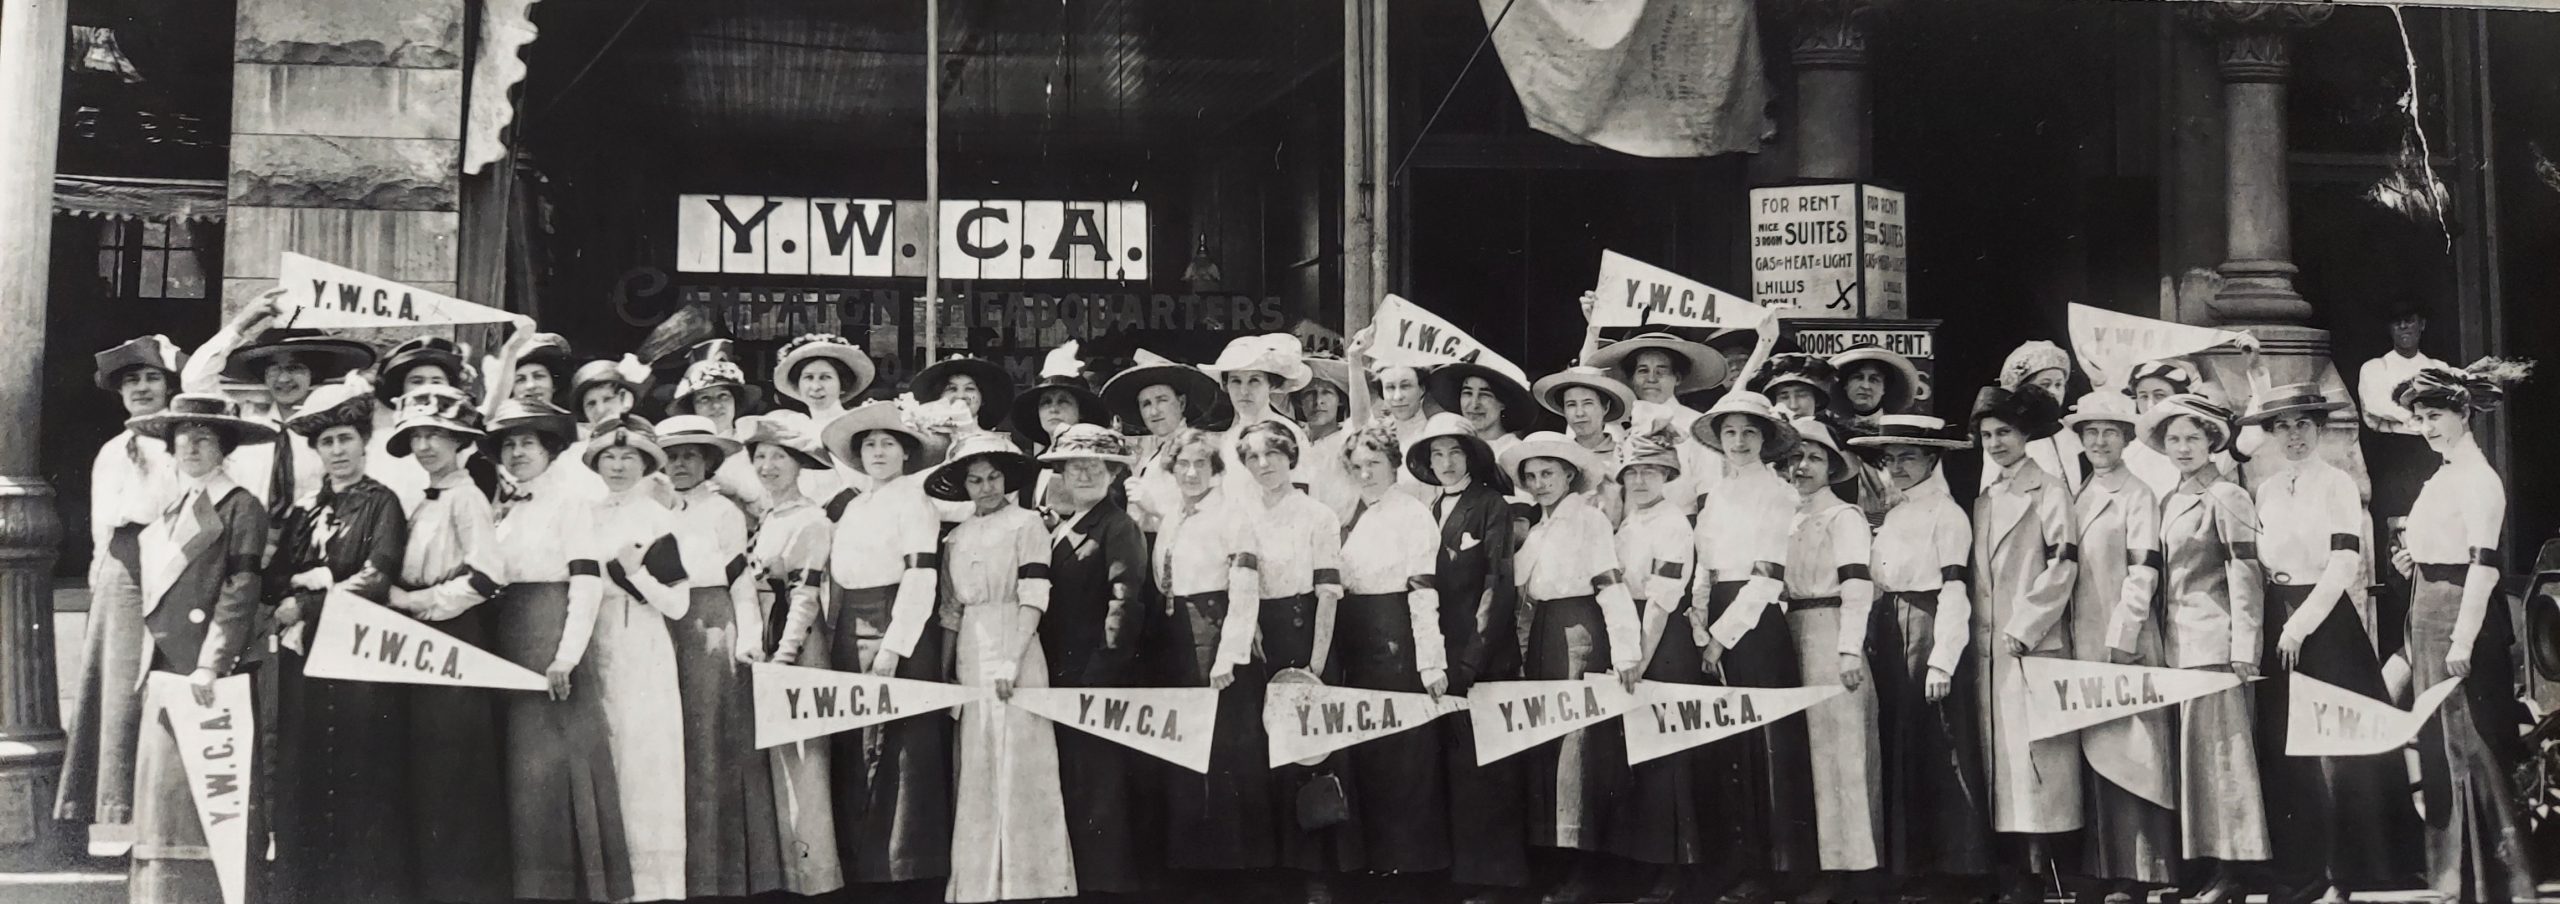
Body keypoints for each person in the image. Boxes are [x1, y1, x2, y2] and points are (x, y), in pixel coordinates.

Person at [2240, 383, 2422, 902]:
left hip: (2325, 624)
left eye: (2303, 424)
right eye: (2283, 426)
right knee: (2285, 747)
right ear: (2272, 433)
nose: (2294, 435)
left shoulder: (2337, 483)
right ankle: (2302, 869)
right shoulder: (2268, 489)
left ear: (2319, 429)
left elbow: (2345, 563)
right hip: (2279, 617)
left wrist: (2300, 626)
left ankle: (2351, 871)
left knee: (2337, 749)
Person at [2388, 361, 2539, 902]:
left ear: (2463, 413)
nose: (2427, 427)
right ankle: (2454, 878)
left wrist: (2462, 639)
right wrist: (2414, 558)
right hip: (2427, 608)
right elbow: (2441, 544)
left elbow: (2485, 564)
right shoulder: (2443, 475)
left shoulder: (2480, 478)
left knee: (2473, 742)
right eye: (2420, 417)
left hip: (2460, 615)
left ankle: (2501, 880)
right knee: (2440, 743)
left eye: (2436, 416)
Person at [263, 383, 414, 904]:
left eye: (346, 438)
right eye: (327, 441)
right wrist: (297, 590)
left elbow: (376, 576)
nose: (338, 450)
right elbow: (277, 576)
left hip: (358, 649)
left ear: (363, 443)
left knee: (359, 760)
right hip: (304, 654)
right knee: (304, 760)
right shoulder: (303, 510)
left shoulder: (382, 503)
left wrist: (309, 598)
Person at [123, 393, 273, 904]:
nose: (191, 444)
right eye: (182, 436)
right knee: (165, 796)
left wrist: (212, 663)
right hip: (168, 664)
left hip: (212, 668)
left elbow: (240, 590)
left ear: (223, 447)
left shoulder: (242, 506)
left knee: (217, 795)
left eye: (204, 436)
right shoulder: (171, 506)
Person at [480, 397, 631, 901]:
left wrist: (565, 655)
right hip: (505, 639)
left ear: (549, 450)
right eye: (509, 444)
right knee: (514, 765)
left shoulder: (570, 506)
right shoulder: (501, 510)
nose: (518, 452)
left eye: (528, 442)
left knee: (549, 764)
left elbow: (586, 585)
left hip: (548, 640)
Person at [926, 433, 1078, 903]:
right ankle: (977, 884)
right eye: (975, 479)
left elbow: (1035, 595)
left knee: (1021, 761)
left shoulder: (1027, 524)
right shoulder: (955, 537)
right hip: (972, 648)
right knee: (976, 760)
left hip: (1016, 640)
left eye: (994, 477)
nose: (987, 487)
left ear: (1006, 480)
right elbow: (950, 612)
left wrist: (1012, 658)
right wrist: (947, 676)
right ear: (963, 485)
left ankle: (1033, 881)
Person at [1846, 415, 1992, 900]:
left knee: (1938, 745)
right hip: (1890, 628)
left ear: (1933, 459)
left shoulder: (1946, 514)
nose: (1898, 468)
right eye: (1890, 460)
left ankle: (1954, 869)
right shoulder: (1895, 513)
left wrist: (1942, 659)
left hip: (1927, 627)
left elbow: (1954, 587)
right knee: (1901, 743)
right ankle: (1910, 865)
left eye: (1909, 457)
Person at [377, 385, 512, 903]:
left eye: (437, 435)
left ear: (460, 442)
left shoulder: (467, 498)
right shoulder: (424, 499)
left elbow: (487, 576)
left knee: (454, 761)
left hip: (452, 633)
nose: (427, 445)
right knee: (424, 760)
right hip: (416, 638)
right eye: (417, 435)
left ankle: (462, 886)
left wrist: (418, 603)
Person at [815, 400, 955, 887]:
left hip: (898, 624)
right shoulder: (853, 504)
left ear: (906, 453)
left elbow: (921, 576)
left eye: (888, 444)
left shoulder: (914, 501)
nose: (877, 452)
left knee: (901, 743)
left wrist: (895, 645)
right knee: (857, 739)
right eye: (869, 444)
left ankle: (905, 867)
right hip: (849, 626)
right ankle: (862, 864)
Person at [2140, 392, 2272, 902]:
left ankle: (2233, 873)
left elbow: (2244, 574)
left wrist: (2245, 647)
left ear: (2213, 441)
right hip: (2178, 647)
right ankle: (2202, 871)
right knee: (2194, 765)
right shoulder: (2171, 498)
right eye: (2174, 439)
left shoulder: (2228, 495)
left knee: (2224, 761)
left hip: (2217, 647)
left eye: (2193, 437)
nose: (2183, 447)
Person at [1690, 392, 1818, 902]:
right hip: (1714, 616)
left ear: (1765, 439)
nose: (1738, 443)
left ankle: (1775, 868)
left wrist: (1721, 637)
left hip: (1755, 625)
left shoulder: (1778, 494)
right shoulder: (1718, 495)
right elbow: (1705, 564)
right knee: (1726, 744)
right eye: (1730, 433)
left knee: (1766, 742)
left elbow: (1767, 578)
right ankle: (1735, 860)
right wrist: (1700, 620)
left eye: (1748, 433)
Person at [57, 335, 184, 845]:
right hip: (123, 568)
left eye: (152, 378)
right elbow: (100, 527)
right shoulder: (112, 451)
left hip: (174, 558)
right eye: (132, 381)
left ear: (170, 384)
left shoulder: (187, 441)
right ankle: (113, 814)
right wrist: (100, 578)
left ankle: (168, 816)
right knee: (118, 687)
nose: (142, 388)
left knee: (169, 678)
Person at [1502, 430, 1638, 904]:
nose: (1540, 483)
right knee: (1548, 744)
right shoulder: (1536, 531)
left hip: (1582, 632)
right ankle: (1555, 861)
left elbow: (1610, 585)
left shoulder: (1590, 520)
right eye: (1532, 476)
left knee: (1577, 747)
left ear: (1569, 475)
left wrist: (1625, 651)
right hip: (1543, 635)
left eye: (1549, 474)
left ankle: (1586, 869)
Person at [658, 416, 789, 897]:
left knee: (711, 743)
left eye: (691, 454)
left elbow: (739, 583)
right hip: (658, 630)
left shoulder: (723, 512)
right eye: (671, 455)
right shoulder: (650, 509)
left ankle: (720, 875)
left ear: (709, 460)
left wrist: (748, 635)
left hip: (711, 627)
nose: (680, 464)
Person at [1402, 413, 1529, 902]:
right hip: (1435, 653)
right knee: (1447, 766)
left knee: (1485, 772)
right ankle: (1451, 871)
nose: (1446, 463)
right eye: (1437, 454)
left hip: (1480, 658)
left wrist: (1471, 661)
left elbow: (1498, 587)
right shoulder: (1427, 508)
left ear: (1472, 457)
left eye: (1455, 452)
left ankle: (1493, 880)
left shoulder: (1490, 505)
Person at [2058, 393, 2177, 901]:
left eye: (2109, 432)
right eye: (2090, 433)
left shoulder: (2139, 494)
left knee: (2135, 756)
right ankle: (2104, 867)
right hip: (2085, 640)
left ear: (2127, 438)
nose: (2099, 441)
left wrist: (2123, 636)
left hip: (2123, 642)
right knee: (2099, 753)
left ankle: (2139, 872)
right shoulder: (2081, 491)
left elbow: (2143, 569)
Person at [1032, 425, 1160, 896]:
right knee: (1073, 775)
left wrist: (1102, 672)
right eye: (1074, 465)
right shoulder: (1062, 527)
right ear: (1060, 473)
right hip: (1057, 671)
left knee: (1100, 779)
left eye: (1095, 465)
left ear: (1113, 473)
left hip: (1096, 675)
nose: (1084, 473)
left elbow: (1124, 602)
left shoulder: (1117, 525)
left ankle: (1107, 882)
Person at [1966, 384, 2080, 904]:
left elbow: (2063, 563)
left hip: (2029, 644)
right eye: (1987, 435)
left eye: (2004, 433)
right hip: (1989, 648)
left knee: (2038, 760)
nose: (1995, 443)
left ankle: (2044, 868)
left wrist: (2027, 624)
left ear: (2025, 435)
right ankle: (2014, 866)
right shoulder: (1985, 500)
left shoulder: (2049, 490)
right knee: (2003, 759)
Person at [1330, 423, 1454, 892]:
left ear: (1394, 464)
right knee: (1368, 751)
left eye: (1374, 464)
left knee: (1405, 751)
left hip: (1396, 637)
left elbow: (1424, 592)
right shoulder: (1351, 513)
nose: (1365, 473)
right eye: (1357, 466)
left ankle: (1415, 866)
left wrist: (1430, 661)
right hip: (1356, 637)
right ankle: (1376, 860)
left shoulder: (1413, 514)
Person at [1154, 427, 1280, 879]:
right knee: (1188, 748)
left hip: (1218, 637)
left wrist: (1230, 655)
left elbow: (1245, 589)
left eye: (1200, 465)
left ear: (1215, 470)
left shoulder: (1232, 514)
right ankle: (1193, 864)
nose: (1190, 472)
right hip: (1177, 640)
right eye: (1182, 464)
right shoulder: (1172, 517)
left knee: (1227, 749)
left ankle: (1240, 868)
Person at [579, 416, 693, 900]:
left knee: (645, 763)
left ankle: (653, 888)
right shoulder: (585, 514)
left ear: (646, 463)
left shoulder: (658, 519)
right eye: (609, 456)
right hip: (594, 643)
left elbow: (678, 604)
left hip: (642, 646)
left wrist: (635, 575)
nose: (619, 465)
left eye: (629, 457)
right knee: (603, 758)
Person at [1596, 423, 1709, 903]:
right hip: (1628, 635)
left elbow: (1663, 599)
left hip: (1660, 642)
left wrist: (1638, 657)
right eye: (1632, 472)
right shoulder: (1628, 522)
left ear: (1667, 475)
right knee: (1633, 754)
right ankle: (1639, 863)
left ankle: (1674, 870)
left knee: (1666, 753)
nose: (1639, 481)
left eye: (1650, 472)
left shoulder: (1673, 523)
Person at [735, 412, 847, 896]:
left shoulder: (810, 519)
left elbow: (805, 595)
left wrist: (784, 654)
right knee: (778, 757)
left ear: (798, 464)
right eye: (760, 457)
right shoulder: (765, 518)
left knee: (806, 759)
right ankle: (785, 872)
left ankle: (818, 877)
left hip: (797, 645)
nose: (768, 466)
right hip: (766, 639)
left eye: (778, 457)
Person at [1779, 417, 1883, 898]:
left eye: (1814, 458)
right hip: (1789, 628)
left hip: (1830, 628)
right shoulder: (1784, 516)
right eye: (1795, 458)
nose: (1802, 467)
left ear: (1831, 467)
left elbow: (1858, 585)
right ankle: (1812, 865)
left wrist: (1848, 648)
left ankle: (1852, 870)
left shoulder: (1845, 517)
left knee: (1839, 750)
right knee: (1803, 752)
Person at [180, 295, 377, 513]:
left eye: (295, 368)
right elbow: (193, 380)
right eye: (274, 369)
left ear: (314, 372)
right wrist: (242, 323)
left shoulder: (329, 430)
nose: (283, 380)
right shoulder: (244, 421)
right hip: (247, 538)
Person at [2359, 306, 2446, 664]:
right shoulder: (2375, 368)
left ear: (2422, 324)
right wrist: (2415, 415)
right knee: (2399, 556)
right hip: (2394, 464)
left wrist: (2407, 418)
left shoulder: (2437, 368)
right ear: (2389, 327)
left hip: (2428, 459)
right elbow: (2376, 405)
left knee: (2435, 547)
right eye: (2397, 321)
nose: (2404, 327)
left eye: (2411, 320)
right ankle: (2402, 652)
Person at [1101, 348, 1223, 536]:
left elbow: (1211, 517)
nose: (1154, 412)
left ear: (1181, 403)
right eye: (1146, 404)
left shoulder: (1200, 448)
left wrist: (1154, 506)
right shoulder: (1151, 452)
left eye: (1162, 400)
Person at [668, 339, 768, 513]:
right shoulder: (678, 452)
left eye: (723, 396)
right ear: (693, 407)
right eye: (704, 398)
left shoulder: (756, 447)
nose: (716, 405)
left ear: (735, 401)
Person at [1009, 341, 1108, 510]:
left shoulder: (1101, 464)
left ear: (1080, 411)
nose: (1053, 409)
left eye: (1063, 401)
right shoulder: (1031, 468)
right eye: (1046, 402)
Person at [1531, 366, 1635, 524]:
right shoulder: (1558, 456)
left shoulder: (1624, 455)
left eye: (1587, 403)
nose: (1579, 413)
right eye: (1571, 405)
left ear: (1605, 407)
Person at [1983, 342, 2083, 493]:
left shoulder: (2069, 433)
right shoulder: (2006, 434)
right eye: (2045, 384)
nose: (2054, 392)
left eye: (2059, 385)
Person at [2119, 359, 2201, 497]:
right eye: (2143, 396)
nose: (2150, 404)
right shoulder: (2128, 450)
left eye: (2159, 395)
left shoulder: (2197, 443)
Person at [1296, 352, 1362, 522]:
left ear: (1340, 400)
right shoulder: (1294, 442)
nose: (1318, 401)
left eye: (1327, 392)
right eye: (1310, 393)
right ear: (1300, 400)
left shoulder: (1350, 440)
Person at [1427, 360, 1536, 457]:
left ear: (1503, 402)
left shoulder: (1515, 452)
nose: (1474, 404)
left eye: (1485, 394)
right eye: (1467, 393)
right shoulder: (1451, 450)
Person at [913, 352, 1017, 433]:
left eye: (970, 389)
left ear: (983, 398)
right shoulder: (927, 441)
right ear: (939, 396)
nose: (960, 396)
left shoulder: (998, 446)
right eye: (952, 389)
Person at [1830, 344, 1922, 427]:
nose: (1866, 386)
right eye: (1858, 377)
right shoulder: (1831, 428)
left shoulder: (1897, 428)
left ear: (1884, 388)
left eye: (1873, 379)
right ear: (1845, 384)